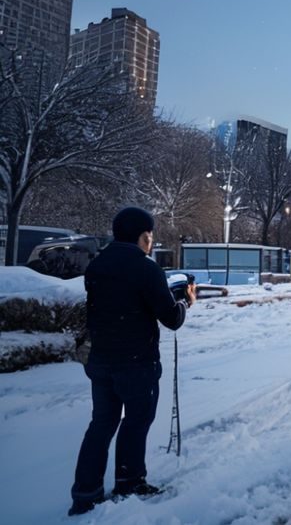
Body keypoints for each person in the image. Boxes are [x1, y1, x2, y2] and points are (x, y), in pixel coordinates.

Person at [68, 207, 195, 517]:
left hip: (101, 361)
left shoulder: (97, 266)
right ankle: (130, 482)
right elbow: (171, 318)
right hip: (137, 363)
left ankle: (85, 493)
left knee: (102, 424)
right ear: (143, 236)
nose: (151, 241)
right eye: (150, 235)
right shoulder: (146, 268)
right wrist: (184, 301)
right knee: (136, 421)